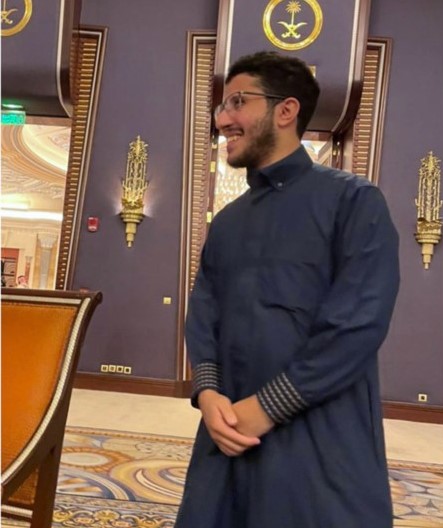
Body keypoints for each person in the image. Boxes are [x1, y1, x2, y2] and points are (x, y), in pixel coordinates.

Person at [175, 51, 400, 528]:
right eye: (221, 106)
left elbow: (357, 324)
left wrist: (270, 405)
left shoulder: (354, 201)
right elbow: (204, 314)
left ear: (286, 110)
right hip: (226, 431)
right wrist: (208, 393)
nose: (223, 120)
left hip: (318, 435)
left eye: (238, 102)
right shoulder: (228, 222)